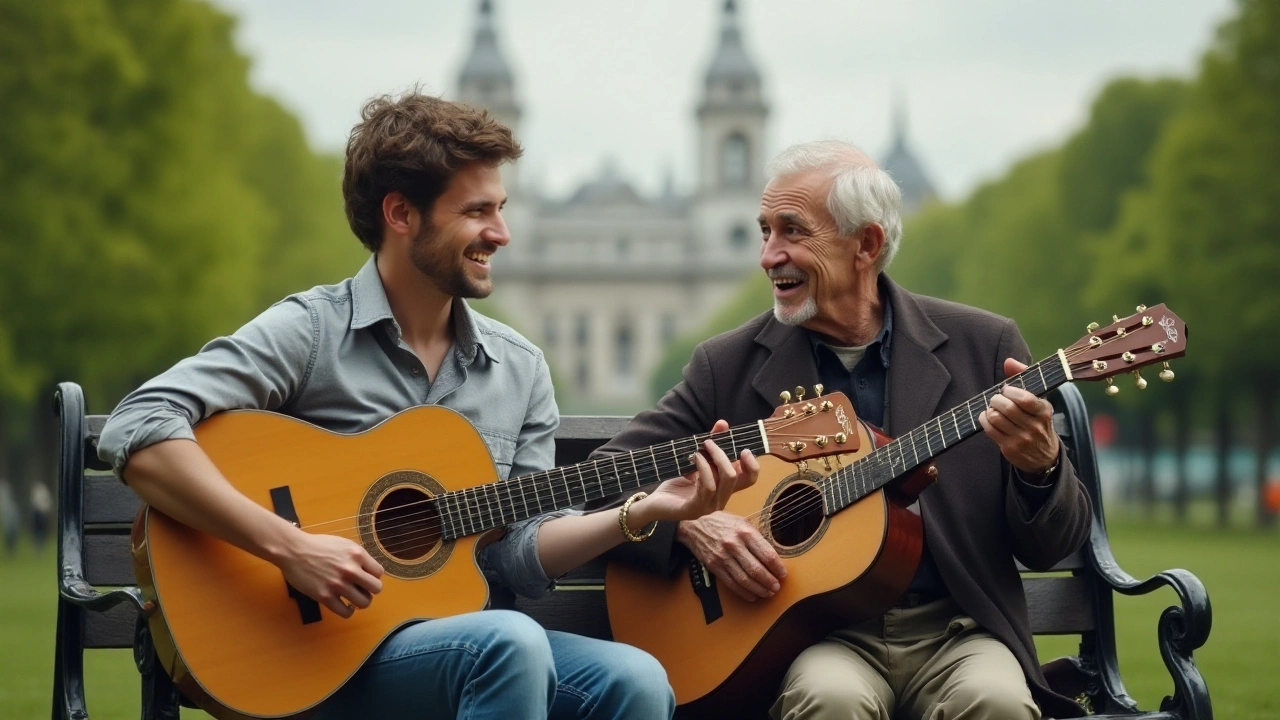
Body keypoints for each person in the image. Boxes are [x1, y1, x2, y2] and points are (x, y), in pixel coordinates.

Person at [98, 91, 758, 720]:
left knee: (637, 680)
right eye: (477, 212)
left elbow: (517, 552)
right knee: (510, 645)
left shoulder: (519, 367)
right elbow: (141, 423)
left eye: (501, 208)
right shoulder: (311, 332)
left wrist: (640, 511)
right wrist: (290, 547)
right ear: (401, 214)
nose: (502, 233)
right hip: (318, 653)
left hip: (467, 648)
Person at [591, 140, 1092, 719]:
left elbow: (1052, 544)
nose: (767, 256)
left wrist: (1041, 467)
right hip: (816, 638)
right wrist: (688, 526)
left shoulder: (985, 347)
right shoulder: (726, 364)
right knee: (828, 700)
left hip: (959, 632)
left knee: (998, 702)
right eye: (764, 231)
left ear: (868, 245)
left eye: (792, 232)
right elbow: (601, 477)